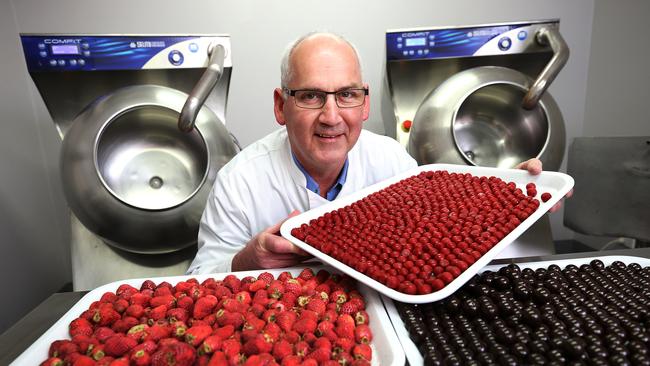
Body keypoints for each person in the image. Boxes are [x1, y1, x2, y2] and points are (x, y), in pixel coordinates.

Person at [186, 32, 565, 275]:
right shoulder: (240, 180)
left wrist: (503, 194)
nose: (331, 116)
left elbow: (438, 230)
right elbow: (198, 277)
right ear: (280, 106)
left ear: (365, 105)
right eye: (311, 96)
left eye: (347, 95)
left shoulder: (393, 163)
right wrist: (248, 261)